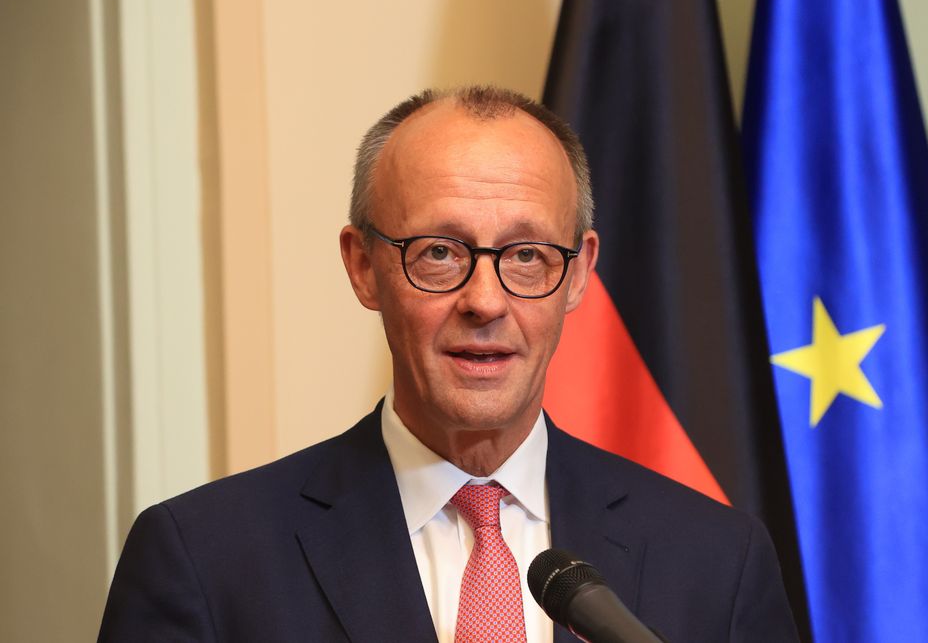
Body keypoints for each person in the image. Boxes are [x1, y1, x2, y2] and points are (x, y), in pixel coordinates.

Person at [98, 86, 799, 642]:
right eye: (439, 251)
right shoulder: (207, 559)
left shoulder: (717, 559)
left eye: (527, 255)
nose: (485, 300)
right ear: (363, 266)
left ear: (580, 273)